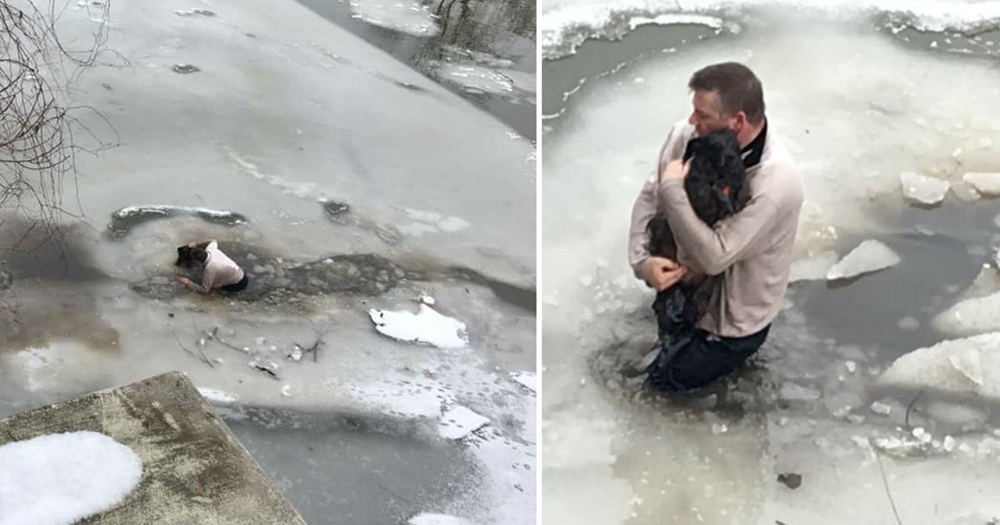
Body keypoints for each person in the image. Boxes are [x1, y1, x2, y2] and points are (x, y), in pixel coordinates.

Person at [628, 62, 804, 391]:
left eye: (703, 116)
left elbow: (714, 257)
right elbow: (650, 197)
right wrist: (642, 261)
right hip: (684, 289)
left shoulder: (776, 183)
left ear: (737, 121)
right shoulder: (686, 135)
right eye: (694, 111)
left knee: (658, 389)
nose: (692, 122)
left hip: (731, 324)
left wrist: (673, 189)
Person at [175, 240, 248, 293]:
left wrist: (187, 282)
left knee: (213, 287)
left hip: (238, 284)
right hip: (241, 273)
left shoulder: (209, 270)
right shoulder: (212, 249)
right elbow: (213, 241)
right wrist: (196, 244)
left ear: (198, 261)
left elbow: (205, 290)